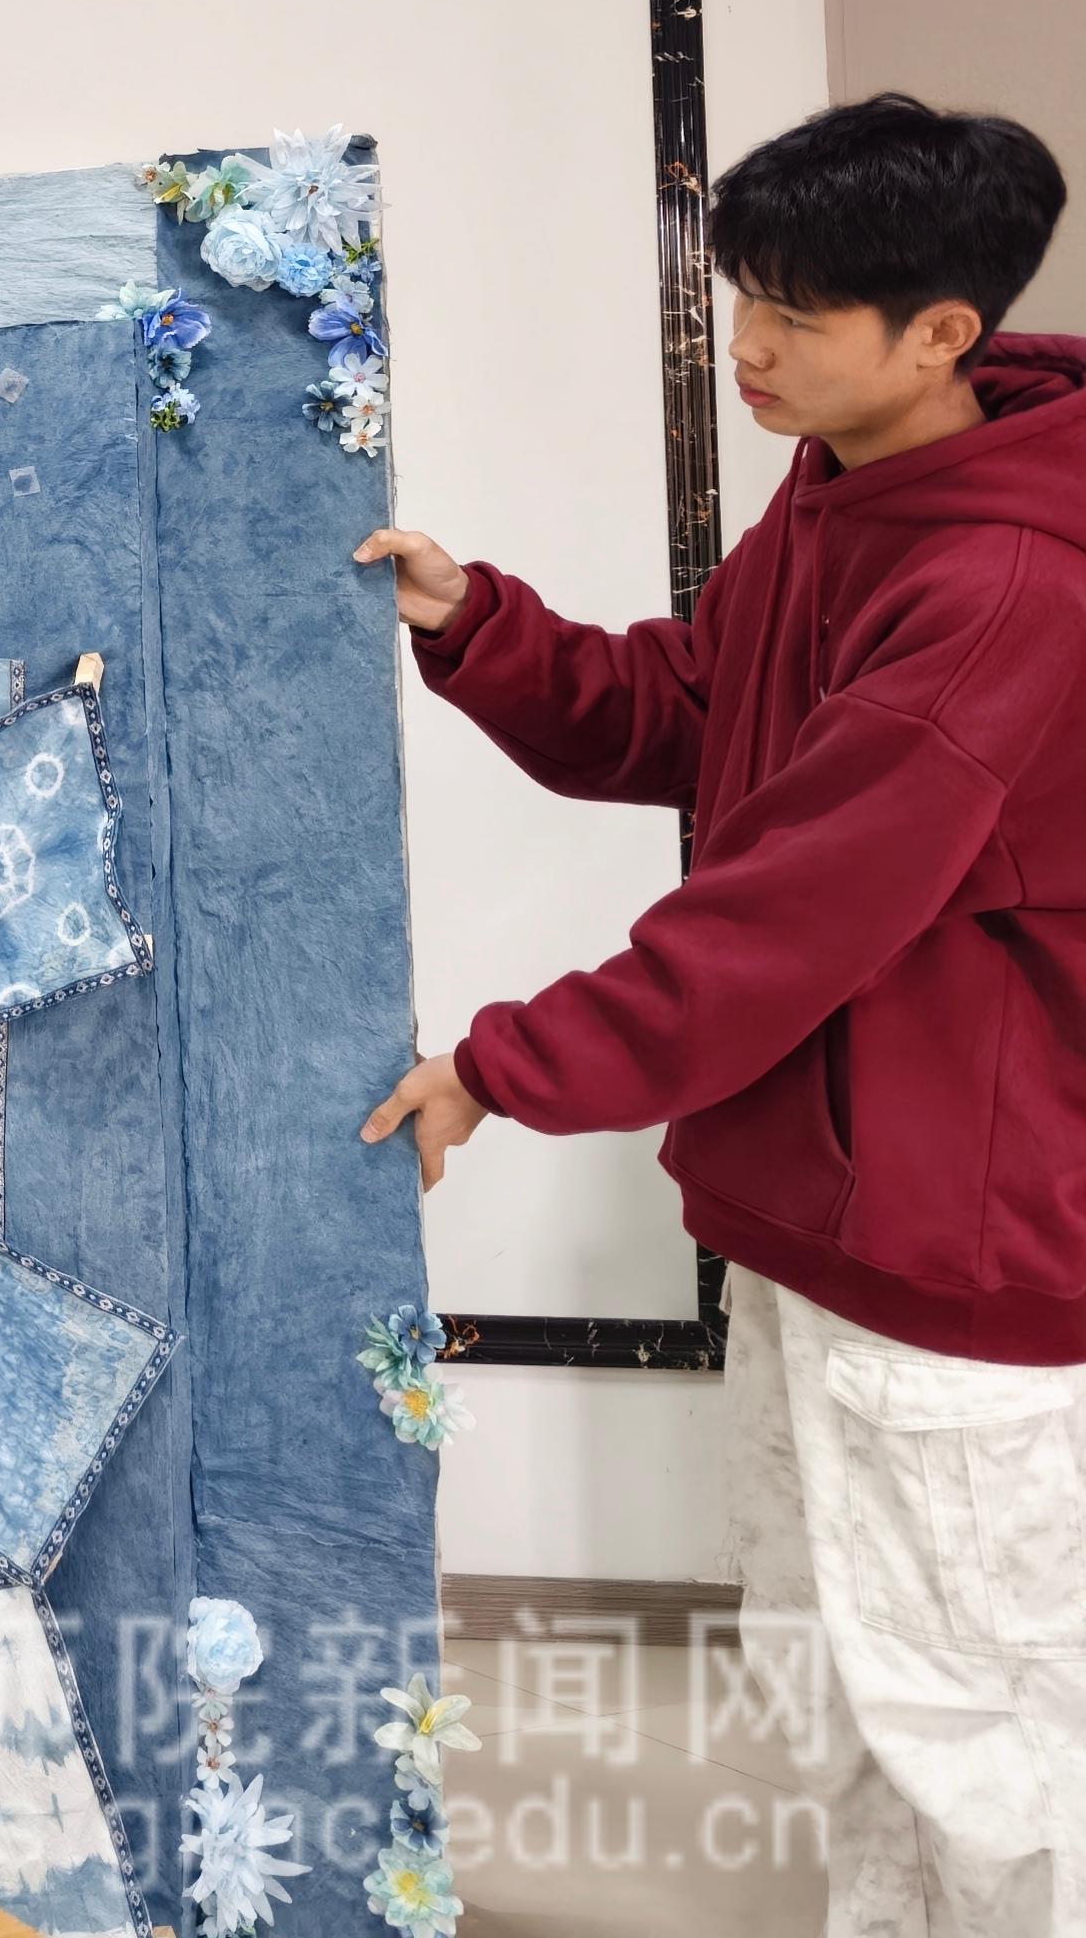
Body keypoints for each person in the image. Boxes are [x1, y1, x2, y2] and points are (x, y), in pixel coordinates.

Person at [356, 94, 1086, 1938]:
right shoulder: (847, 482)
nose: (743, 347)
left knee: (991, 1723)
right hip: (824, 1212)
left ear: (942, 333)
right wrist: (479, 626)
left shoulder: (1005, 581)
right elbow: (708, 708)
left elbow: (783, 917)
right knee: (834, 1673)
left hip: (957, 1238)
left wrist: (502, 1068)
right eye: (739, 295)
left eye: (792, 315)